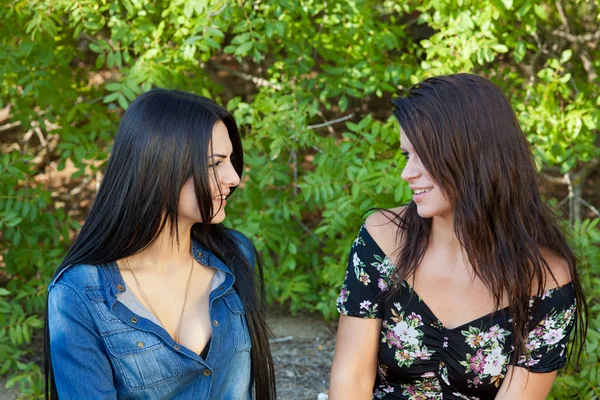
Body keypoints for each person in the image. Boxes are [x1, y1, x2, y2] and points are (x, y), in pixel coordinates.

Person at [329, 74, 587, 399]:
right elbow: (350, 379)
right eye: (406, 156)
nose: (406, 173)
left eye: (423, 155)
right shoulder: (382, 240)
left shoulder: (545, 280)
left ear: (472, 156)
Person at [44, 89, 276, 399]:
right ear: (162, 167)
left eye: (230, 161)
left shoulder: (235, 256)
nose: (233, 177)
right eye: (214, 163)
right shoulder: (79, 294)